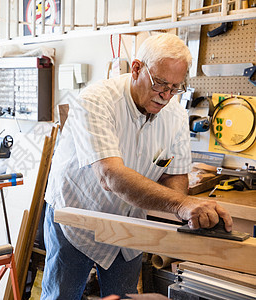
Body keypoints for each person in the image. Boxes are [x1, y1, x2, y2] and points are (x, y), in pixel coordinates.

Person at [41, 33, 233, 299]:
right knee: (62, 296)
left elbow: (174, 176)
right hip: (77, 217)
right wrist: (180, 205)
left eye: (175, 87)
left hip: (128, 226)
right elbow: (111, 176)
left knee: (124, 296)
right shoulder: (96, 101)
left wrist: (185, 210)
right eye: (160, 84)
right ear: (136, 69)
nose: (166, 96)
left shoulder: (175, 115)